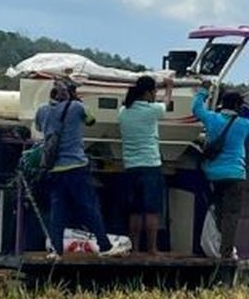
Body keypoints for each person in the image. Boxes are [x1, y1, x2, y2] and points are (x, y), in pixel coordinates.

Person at [35, 79, 130, 261]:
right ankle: (104, 246)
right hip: (76, 166)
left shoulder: (42, 110)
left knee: (58, 209)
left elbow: (40, 128)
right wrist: (77, 100)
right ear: (70, 92)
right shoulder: (77, 107)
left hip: (54, 167)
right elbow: (91, 120)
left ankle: (56, 251)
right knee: (89, 207)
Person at [192, 87, 249, 259]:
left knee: (218, 211)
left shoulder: (212, 119)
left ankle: (216, 245)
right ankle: (226, 252)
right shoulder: (245, 124)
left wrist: (203, 91)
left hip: (213, 174)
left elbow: (196, 109)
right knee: (231, 214)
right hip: (235, 174)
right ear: (236, 105)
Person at [118, 76, 166, 256]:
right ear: (147, 92)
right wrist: (168, 88)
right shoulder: (152, 110)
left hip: (130, 165)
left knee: (135, 211)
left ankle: (135, 248)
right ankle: (152, 248)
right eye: (154, 91)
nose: (155, 95)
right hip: (151, 164)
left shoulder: (123, 111)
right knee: (152, 210)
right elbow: (166, 106)